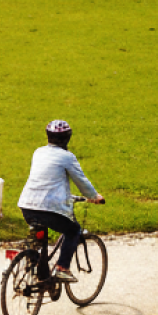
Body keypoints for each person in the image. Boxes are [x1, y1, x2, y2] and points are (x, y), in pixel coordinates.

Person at [18, 120, 104, 282]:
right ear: (67, 138)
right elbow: (81, 181)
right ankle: (62, 268)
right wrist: (94, 197)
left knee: (40, 237)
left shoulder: (38, 152)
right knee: (73, 230)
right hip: (49, 209)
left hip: (27, 205)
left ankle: (39, 272)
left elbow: (46, 180)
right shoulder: (67, 157)